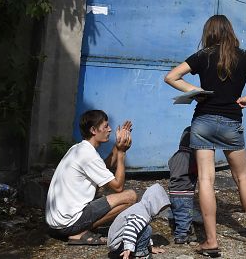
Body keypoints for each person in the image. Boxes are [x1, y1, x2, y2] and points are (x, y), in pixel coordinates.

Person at [165, 14, 246, 257]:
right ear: (230, 31)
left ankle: (211, 241)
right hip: (232, 122)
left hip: (203, 122)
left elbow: (171, 76)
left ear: (209, 33)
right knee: (243, 178)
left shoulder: (203, 55)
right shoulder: (244, 56)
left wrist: (195, 90)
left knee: (206, 180)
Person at [45, 110, 137, 246]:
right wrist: (122, 153)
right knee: (130, 196)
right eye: (105, 126)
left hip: (56, 224)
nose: (110, 129)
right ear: (93, 130)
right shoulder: (89, 155)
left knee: (102, 194)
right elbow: (118, 187)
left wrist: (118, 146)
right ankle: (80, 232)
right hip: (67, 224)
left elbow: (103, 167)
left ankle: (77, 229)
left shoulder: (78, 149)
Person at [107, 183, 169, 258]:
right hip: (119, 247)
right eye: (159, 208)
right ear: (153, 203)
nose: (159, 213)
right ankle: (139, 253)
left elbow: (139, 230)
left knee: (144, 228)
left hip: (117, 243)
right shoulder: (141, 214)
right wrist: (128, 248)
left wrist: (150, 247)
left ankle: (136, 250)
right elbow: (131, 228)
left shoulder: (140, 208)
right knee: (147, 229)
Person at [167, 127, 197, 245]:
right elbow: (196, 170)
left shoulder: (175, 155)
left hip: (173, 192)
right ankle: (181, 235)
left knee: (178, 213)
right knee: (187, 214)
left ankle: (183, 230)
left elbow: (170, 163)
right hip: (185, 193)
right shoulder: (191, 158)